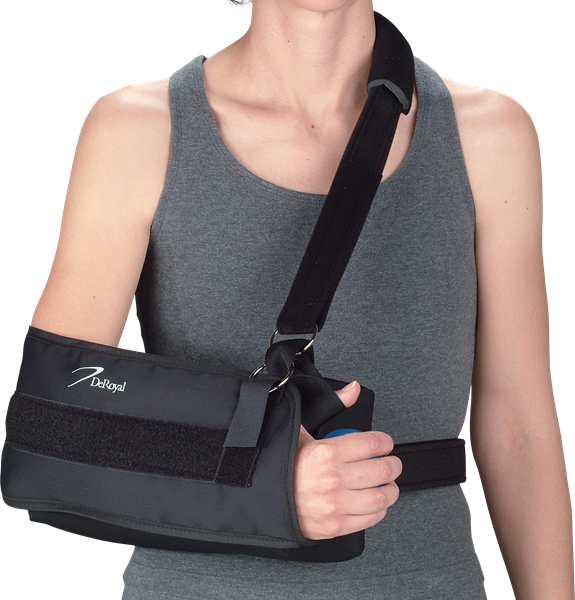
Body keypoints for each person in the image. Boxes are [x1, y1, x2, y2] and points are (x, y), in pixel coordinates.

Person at [23, 0, 572, 598]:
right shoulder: (138, 129)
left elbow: (518, 427)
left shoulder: (489, 134)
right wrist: (265, 483)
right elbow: (55, 421)